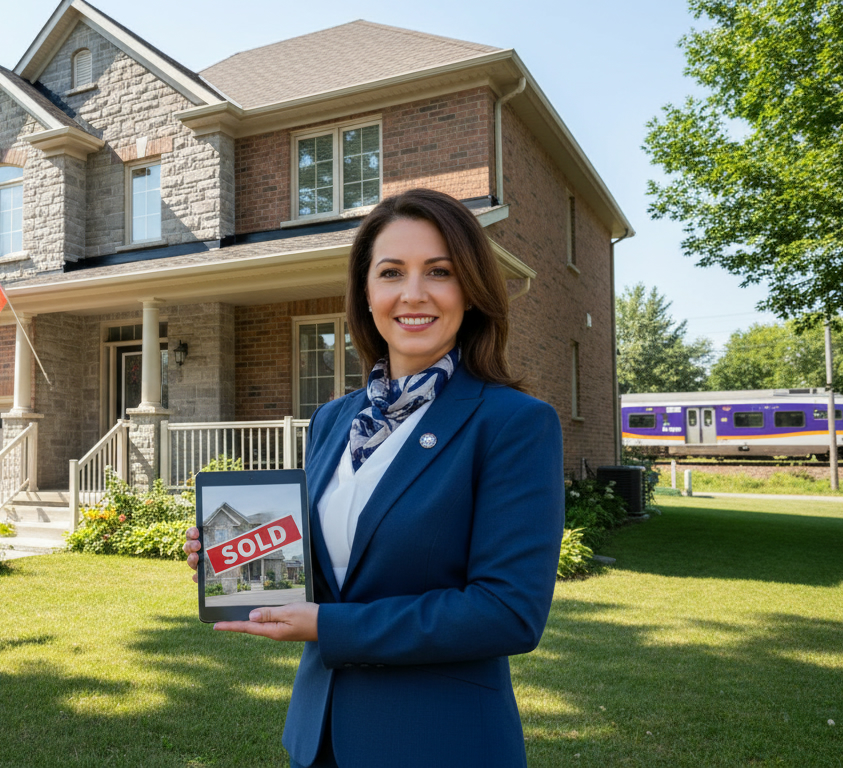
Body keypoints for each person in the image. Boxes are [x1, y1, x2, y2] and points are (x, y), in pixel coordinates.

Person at [184, 188, 565, 767]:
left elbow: (507, 612)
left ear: (471, 290)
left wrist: (331, 626)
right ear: (366, 293)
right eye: (391, 273)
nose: (413, 294)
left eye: (439, 271)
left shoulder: (514, 424)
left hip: (440, 744)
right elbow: (334, 573)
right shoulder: (334, 418)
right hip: (319, 739)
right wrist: (239, 559)